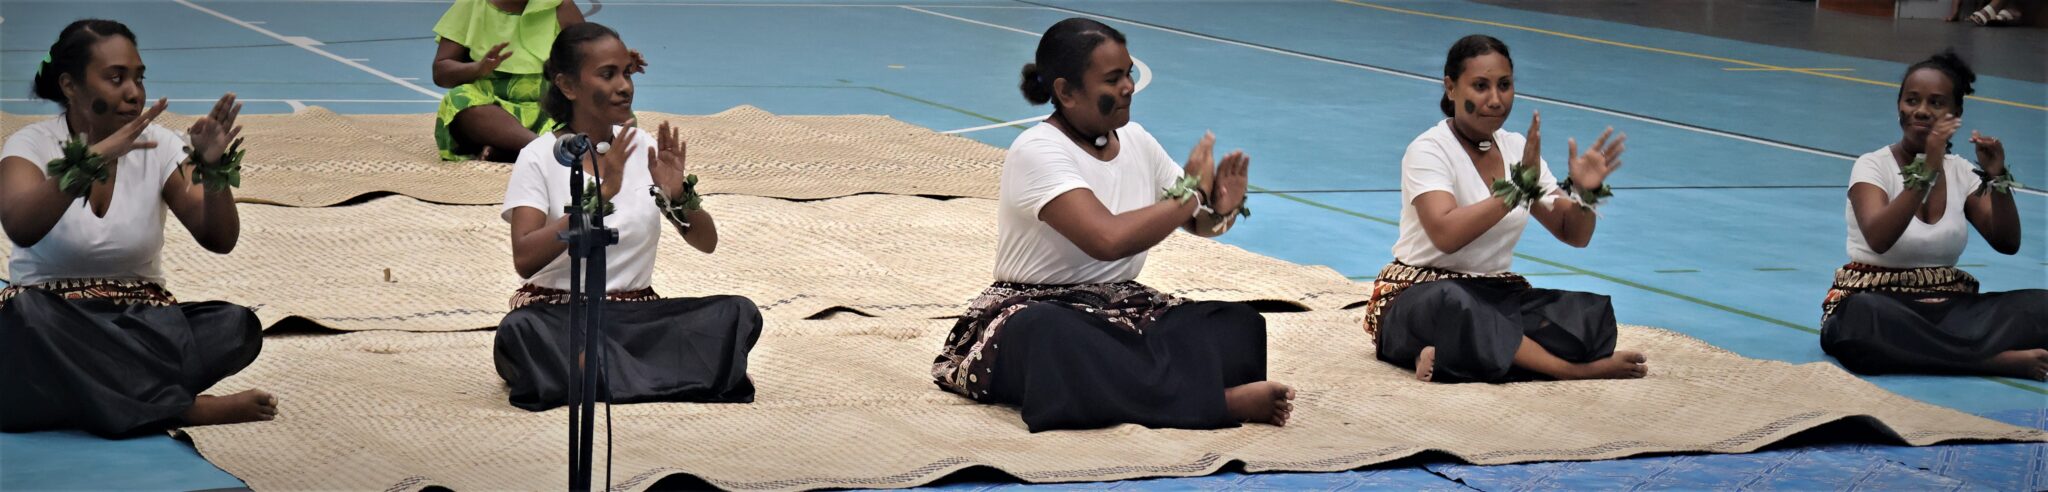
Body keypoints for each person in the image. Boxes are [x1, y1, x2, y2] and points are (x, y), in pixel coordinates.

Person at [931, 18, 1294, 433]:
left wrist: (1223, 208)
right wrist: (1193, 192)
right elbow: (1107, 239)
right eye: (1113, 79)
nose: (1129, 87)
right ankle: (1220, 403)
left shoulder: (1138, 140)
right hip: (1040, 308)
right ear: (1066, 91)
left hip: (1124, 307)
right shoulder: (1037, 151)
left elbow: (1198, 222)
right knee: (1049, 338)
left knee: (1238, 325)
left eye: (1129, 74)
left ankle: (1150, 393)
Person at [1, 19, 276, 436]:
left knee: (236, 326)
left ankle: (90, 398)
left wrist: (214, 170)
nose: (134, 92)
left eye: (138, 77)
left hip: (141, 325)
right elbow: (21, 225)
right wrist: (91, 159)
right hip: (53, 321)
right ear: (70, 86)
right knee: (24, 314)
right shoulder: (30, 146)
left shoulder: (162, 147)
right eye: (116, 77)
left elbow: (219, 238)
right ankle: (180, 409)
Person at [493, 23, 761, 411]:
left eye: (626, 72)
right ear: (568, 87)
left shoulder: (644, 147)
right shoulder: (539, 156)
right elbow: (525, 257)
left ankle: (602, 374)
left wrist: (679, 195)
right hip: (561, 319)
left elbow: (706, 242)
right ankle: (668, 374)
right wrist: (598, 197)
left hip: (638, 320)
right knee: (521, 332)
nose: (624, 86)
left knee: (737, 312)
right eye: (607, 74)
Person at [1364, 34, 1647, 384]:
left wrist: (1585, 196)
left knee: (1585, 315)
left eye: (1504, 86)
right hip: (1421, 297)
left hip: (1495, 293)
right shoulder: (1428, 150)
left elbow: (1572, 233)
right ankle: (1569, 371)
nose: (1495, 100)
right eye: (1480, 86)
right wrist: (1516, 190)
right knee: (1457, 305)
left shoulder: (1515, 149)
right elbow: (1446, 235)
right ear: (1451, 88)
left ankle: (1451, 355)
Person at [1820, 50, 2043, 381]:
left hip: (1950, 308)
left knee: (2041, 307)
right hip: (1880, 303)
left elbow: (2007, 242)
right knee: (1860, 321)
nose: (1921, 111)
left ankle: (1948, 353)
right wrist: (1927, 167)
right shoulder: (1871, 166)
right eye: (1912, 100)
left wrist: (1997, 178)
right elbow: (1880, 238)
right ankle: (1988, 362)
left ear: (1956, 114)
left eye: (1936, 104)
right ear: (1899, 107)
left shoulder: (1962, 171)